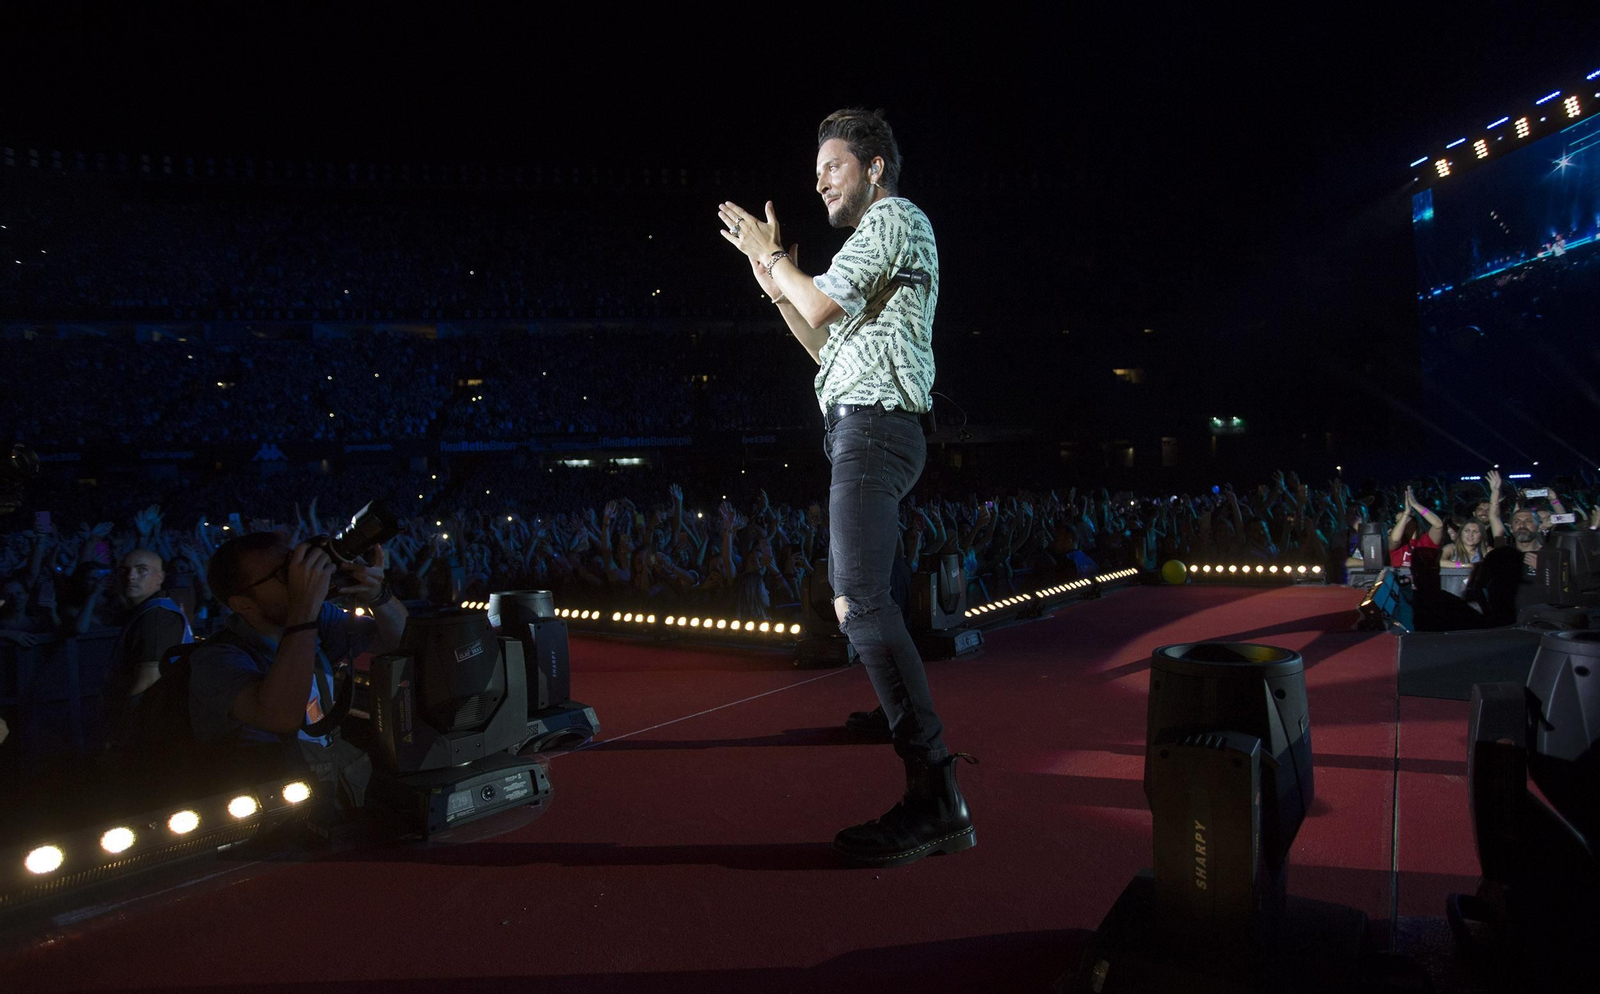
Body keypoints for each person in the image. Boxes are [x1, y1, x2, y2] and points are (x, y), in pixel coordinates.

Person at [718, 107, 973, 867]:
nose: (819, 178)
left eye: (833, 165)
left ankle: (936, 796)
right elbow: (822, 341)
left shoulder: (894, 220)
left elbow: (821, 301)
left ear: (874, 168)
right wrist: (773, 280)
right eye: (818, 168)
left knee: (856, 599)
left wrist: (780, 267)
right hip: (859, 424)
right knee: (874, 602)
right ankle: (902, 726)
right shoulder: (869, 247)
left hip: (874, 428)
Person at [190, 531, 408, 814]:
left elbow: (401, 639)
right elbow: (280, 716)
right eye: (284, 575)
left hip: (333, 791)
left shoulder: (318, 620)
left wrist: (377, 594)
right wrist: (304, 607)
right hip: (266, 813)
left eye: (294, 565)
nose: (299, 579)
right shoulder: (215, 660)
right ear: (243, 604)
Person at [101, 550, 192, 747]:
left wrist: (123, 734)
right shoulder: (148, 611)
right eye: (124, 570)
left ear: (160, 577)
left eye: (142, 570)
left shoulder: (157, 616)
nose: (131, 576)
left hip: (154, 733)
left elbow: (148, 681)